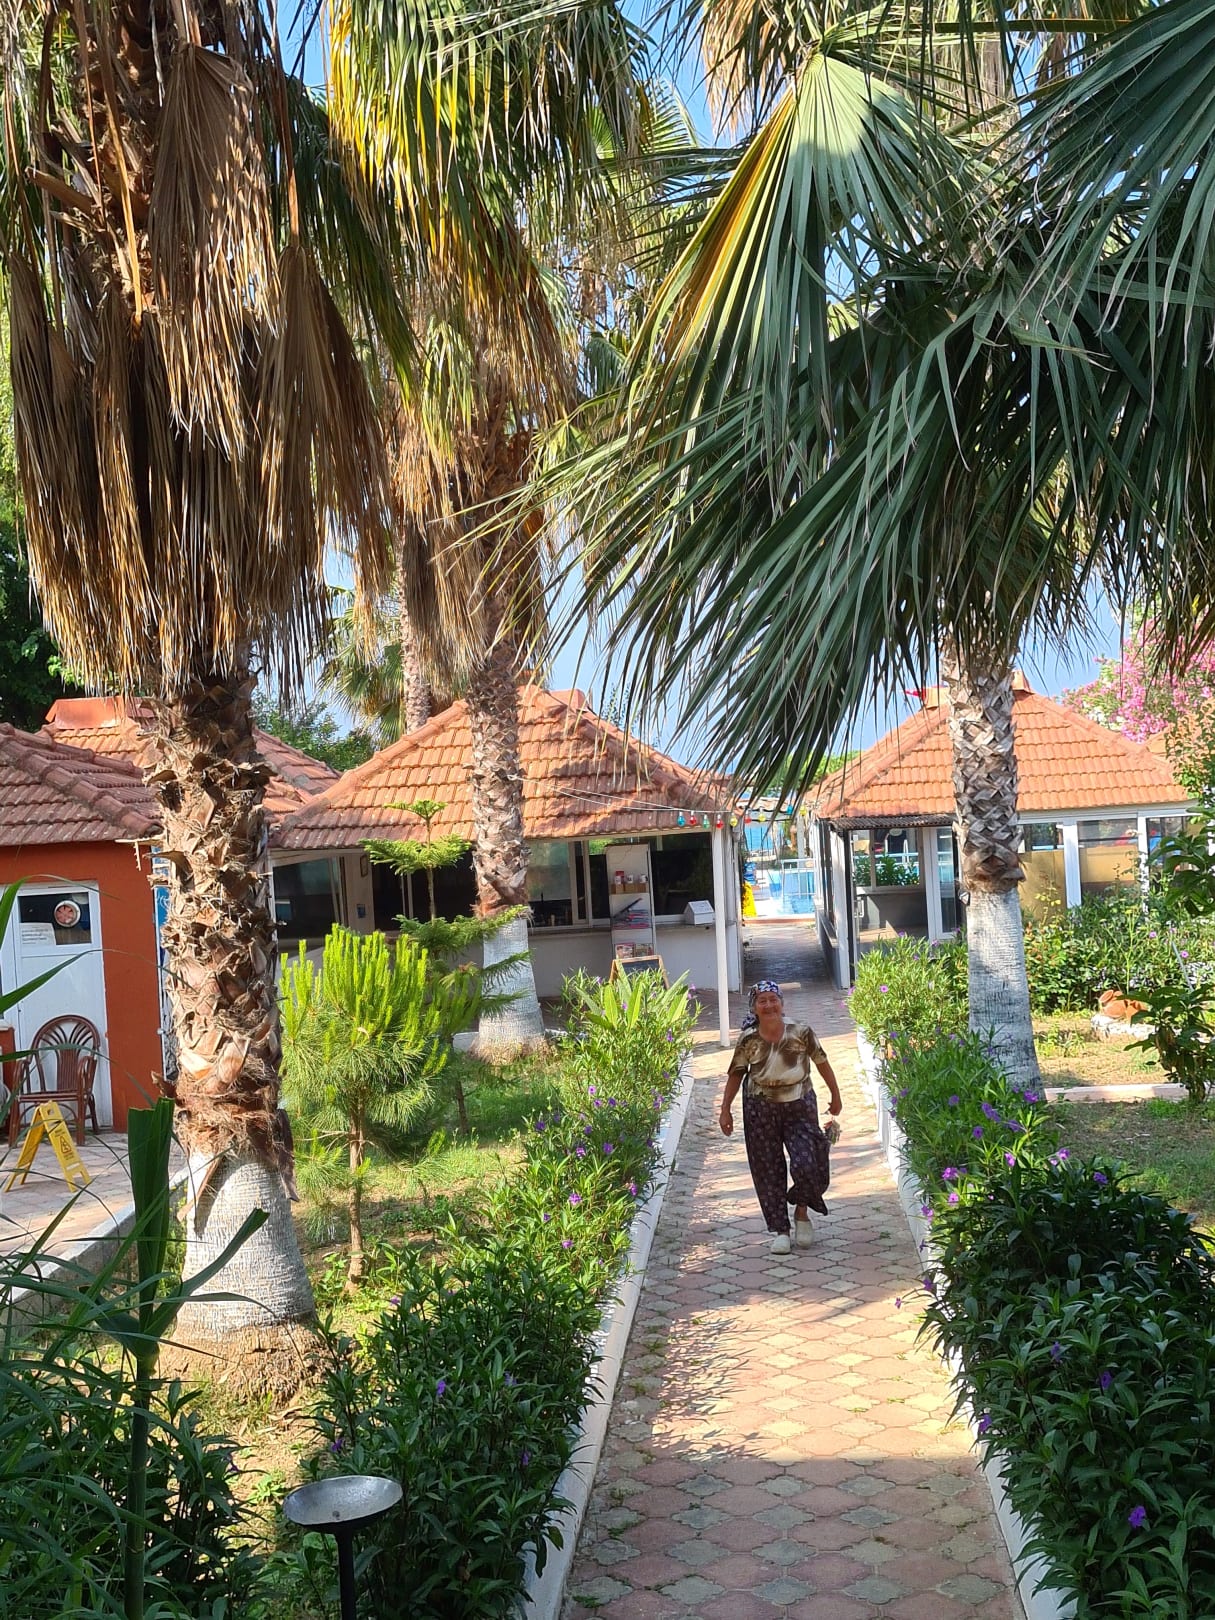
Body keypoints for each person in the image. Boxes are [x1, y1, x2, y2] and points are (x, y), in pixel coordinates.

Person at [720, 979, 843, 1255]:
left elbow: (822, 1062)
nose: (769, 1005)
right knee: (767, 1169)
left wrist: (835, 1094)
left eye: (773, 999)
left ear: (782, 1004)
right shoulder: (748, 1039)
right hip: (759, 1108)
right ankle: (781, 1230)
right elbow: (736, 1073)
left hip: (800, 1105)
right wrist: (725, 1108)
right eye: (762, 1001)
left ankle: (801, 1211)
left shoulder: (801, 1031)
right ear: (754, 1008)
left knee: (808, 1161)